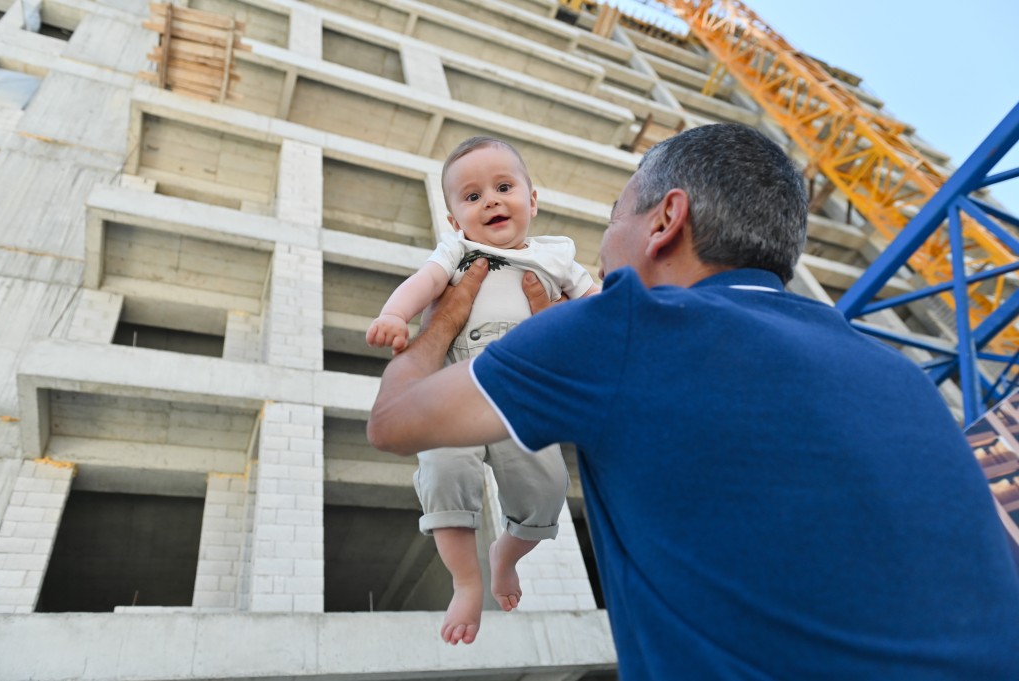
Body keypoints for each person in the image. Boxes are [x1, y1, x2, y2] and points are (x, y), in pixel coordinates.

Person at [368, 123, 1019, 678]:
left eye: (614, 215)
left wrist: (444, 321)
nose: (602, 242)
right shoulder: (901, 375)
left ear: (665, 220)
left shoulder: (621, 327)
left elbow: (394, 422)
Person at [366, 136, 599, 646]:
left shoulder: (556, 256)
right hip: (458, 378)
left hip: (524, 391)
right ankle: (466, 582)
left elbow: (594, 303)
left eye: (503, 187)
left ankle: (506, 556)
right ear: (455, 220)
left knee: (546, 490)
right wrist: (394, 314)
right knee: (445, 469)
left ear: (532, 201)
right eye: (471, 197)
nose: (490, 200)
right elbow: (424, 282)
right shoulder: (457, 250)